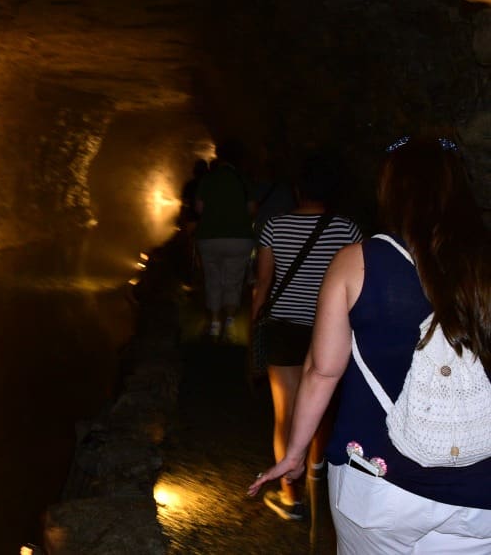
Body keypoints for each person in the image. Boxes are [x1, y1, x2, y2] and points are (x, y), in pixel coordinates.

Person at [248, 136, 491, 553]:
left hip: (378, 483)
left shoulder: (358, 261)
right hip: (478, 495)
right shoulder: (483, 266)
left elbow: (323, 371)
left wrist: (295, 452)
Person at [250, 154, 362, 523]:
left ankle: (290, 496)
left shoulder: (273, 227)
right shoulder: (348, 230)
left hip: (282, 327)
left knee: (286, 413)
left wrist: (255, 328)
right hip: (327, 329)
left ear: (298, 190)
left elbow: (263, 284)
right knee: (322, 409)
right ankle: (316, 478)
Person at [194, 140, 255, 340]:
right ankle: (229, 324)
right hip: (239, 238)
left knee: (213, 279)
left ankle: (213, 323)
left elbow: (199, 209)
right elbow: (252, 209)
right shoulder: (243, 180)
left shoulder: (208, 179)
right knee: (233, 281)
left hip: (210, 237)